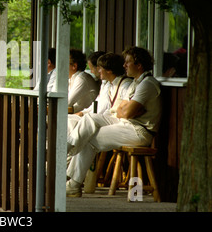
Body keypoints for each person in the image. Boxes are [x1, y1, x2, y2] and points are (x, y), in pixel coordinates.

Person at [66, 46, 162, 197]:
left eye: (128, 62)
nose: (124, 65)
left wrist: (127, 110)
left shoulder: (147, 84)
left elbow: (127, 111)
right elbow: (120, 109)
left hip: (139, 131)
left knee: (89, 139)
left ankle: (72, 183)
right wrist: (126, 110)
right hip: (126, 123)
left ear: (139, 65)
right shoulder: (136, 82)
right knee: (90, 118)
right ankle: (69, 147)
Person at [68, 52, 132, 135]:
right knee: (69, 120)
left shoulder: (125, 85)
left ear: (109, 70)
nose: (98, 70)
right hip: (98, 117)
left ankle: (67, 146)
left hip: (112, 121)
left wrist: (86, 115)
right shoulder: (109, 84)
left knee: (85, 130)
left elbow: (106, 108)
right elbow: (97, 104)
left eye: (100, 68)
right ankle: (66, 146)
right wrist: (83, 113)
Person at [68, 49, 101, 113]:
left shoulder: (81, 78)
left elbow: (67, 102)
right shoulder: (73, 78)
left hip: (86, 115)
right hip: (79, 114)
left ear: (74, 66)